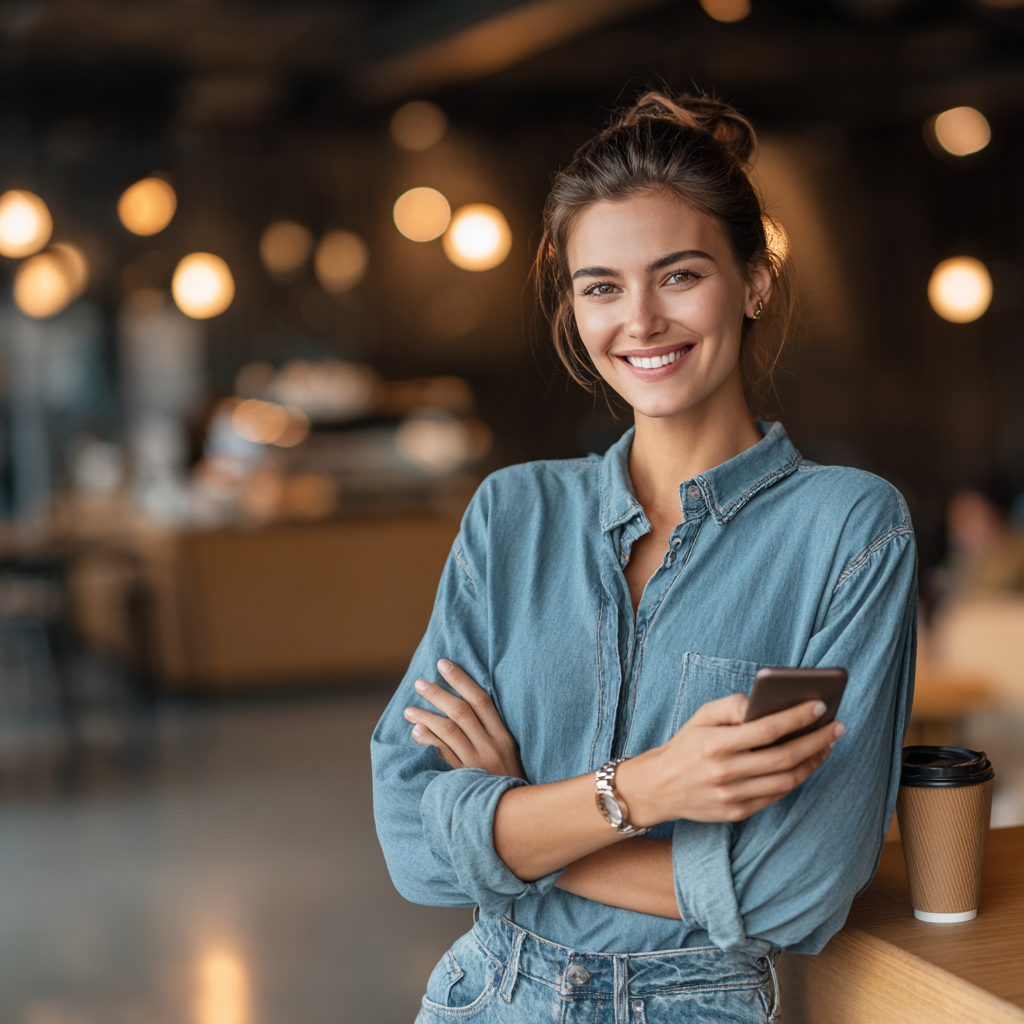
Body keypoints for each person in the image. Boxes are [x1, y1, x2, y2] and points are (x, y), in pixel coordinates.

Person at [371, 92, 917, 1024]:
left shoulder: (849, 530)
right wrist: (647, 788)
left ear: (754, 281)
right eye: (602, 288)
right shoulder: (512, 513)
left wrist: (518, 820)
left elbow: (797, 888)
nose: (642, 321)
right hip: (484, 992)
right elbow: (410, 839)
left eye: (680, 276)